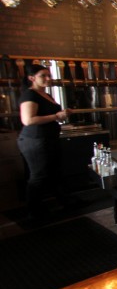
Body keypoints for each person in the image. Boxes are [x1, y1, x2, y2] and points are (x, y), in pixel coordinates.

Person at [17, 64, 72, 221]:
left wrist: (63, 114)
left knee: (55, 173)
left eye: (49, 75)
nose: (48, 78)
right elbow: (28, 120)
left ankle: (65, 202)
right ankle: (33, 212)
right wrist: (56, 116)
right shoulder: (30, 95)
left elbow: (53, 114)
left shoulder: (45, 95)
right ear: (32, 78)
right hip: (35, 140)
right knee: (38, 176)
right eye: (43, 75)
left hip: (48, 139)